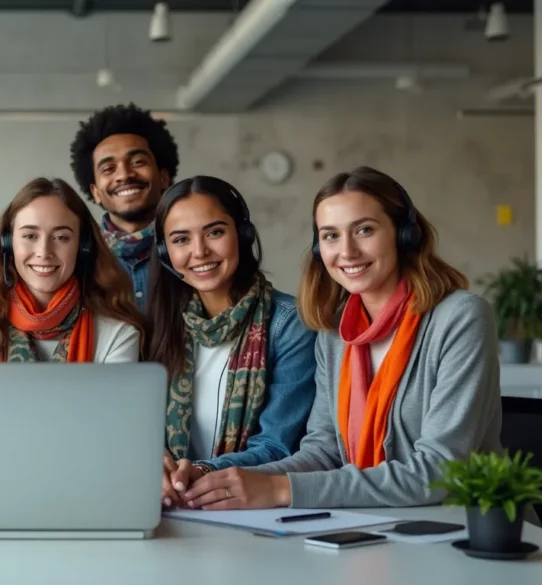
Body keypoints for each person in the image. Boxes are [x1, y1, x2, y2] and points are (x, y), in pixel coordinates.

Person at [180, 166, 502, 510]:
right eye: (331, 235)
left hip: (461, 530)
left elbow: (440, 471)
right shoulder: (335, 333)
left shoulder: (460, 317)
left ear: (404, 234)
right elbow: (323, 453)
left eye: (364, 230)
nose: (347, 251)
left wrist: (279, 490)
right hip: (370, 525)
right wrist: (211, 477)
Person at [150, 176, 317, 510]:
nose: (200, 252)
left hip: (249, 509)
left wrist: (202, 471)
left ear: (242, 235)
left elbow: (277, 445)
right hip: (172, 509)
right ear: (165, 252)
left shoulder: (289, 323)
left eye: (214, 232)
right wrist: (159, 466)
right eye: (181, 239)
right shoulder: (158, 326)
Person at [0, 177, 142, 363]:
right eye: (30, 236)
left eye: (61, 237)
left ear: (83, 247)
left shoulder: (117, 336)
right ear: (7, 245)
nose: (44, 252)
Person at [69, 103, 179, 311]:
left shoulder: (193, 251)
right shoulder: (78, 260)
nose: (124, 175)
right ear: (95, 192)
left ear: (164, 178)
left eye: (137, 162)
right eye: (109, 168)